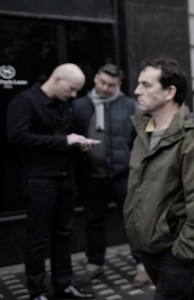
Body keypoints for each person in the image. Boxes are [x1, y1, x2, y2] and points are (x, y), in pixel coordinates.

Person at [123, 58, 194, 299]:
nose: (136, 91)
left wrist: (183, 253)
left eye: (146, 84)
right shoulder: (143, 130)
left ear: (169, 92)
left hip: (176, 250)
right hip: (148, 247)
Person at [6, 63, 96, 300]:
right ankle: (37, 292)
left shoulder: (62, 104)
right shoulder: (24, 101)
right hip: (39, 182)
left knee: (64, 236)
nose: (74, 95)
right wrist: (64, 141)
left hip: (65, 180)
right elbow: (17, 137)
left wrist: (78, 143)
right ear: (57, 79)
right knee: (38, 239)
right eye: (73, 89)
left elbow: (62, 138)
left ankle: (64, 286)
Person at [71, 64, 150, 287]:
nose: (105, 88)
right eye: (102, 83)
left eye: (111, 85)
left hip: (123, 175)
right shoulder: (79, 105)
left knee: (132, 221)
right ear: (95, 78)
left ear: (119, 85)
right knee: (93, 221)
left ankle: (142, 265)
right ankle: (94, 265)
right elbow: (71, 134)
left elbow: (141, 138)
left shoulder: (130, 105)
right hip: (91, 176)